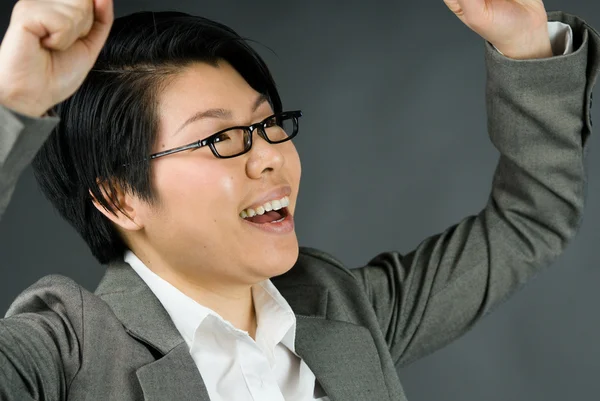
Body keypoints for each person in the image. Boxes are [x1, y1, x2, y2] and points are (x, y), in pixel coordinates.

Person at [0, 0, 597, 399]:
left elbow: (529, 220)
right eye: (222, 139)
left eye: (268, 123)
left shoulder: (339, 306)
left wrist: (526, 46)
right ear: (120, 196)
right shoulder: (66, 352)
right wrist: (13, 109)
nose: (268, 155)